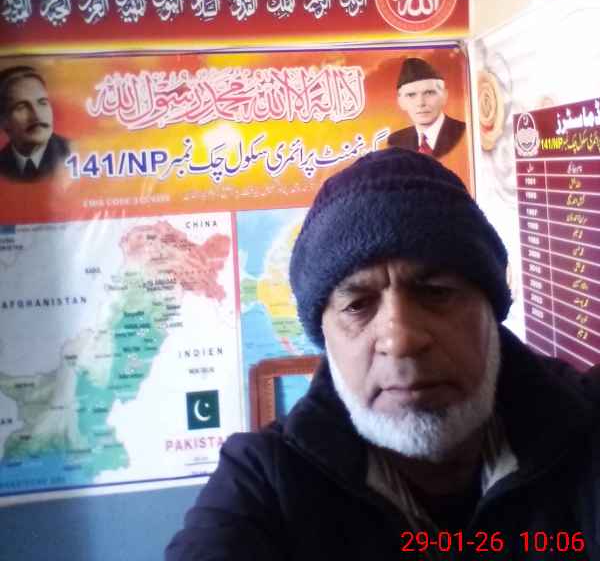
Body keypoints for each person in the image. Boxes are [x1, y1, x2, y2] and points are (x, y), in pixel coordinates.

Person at [166, 149, 600, 561]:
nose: (401, 339)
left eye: (437, 292)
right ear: (325, 338)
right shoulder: (263, 483)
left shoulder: (588, 428)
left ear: (491, 311)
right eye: (357, 305)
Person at [0, 65, 70, 181]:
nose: (37, 116)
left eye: (42, 103)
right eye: (21, 107)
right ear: (3, 120)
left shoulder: (72, 152)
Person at [387, 57, 466, 158]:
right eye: (411, 95)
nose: (421, 103)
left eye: (429, 93)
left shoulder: (464, 132)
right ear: (401, 102)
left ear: (444, 96)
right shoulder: (396, 141)